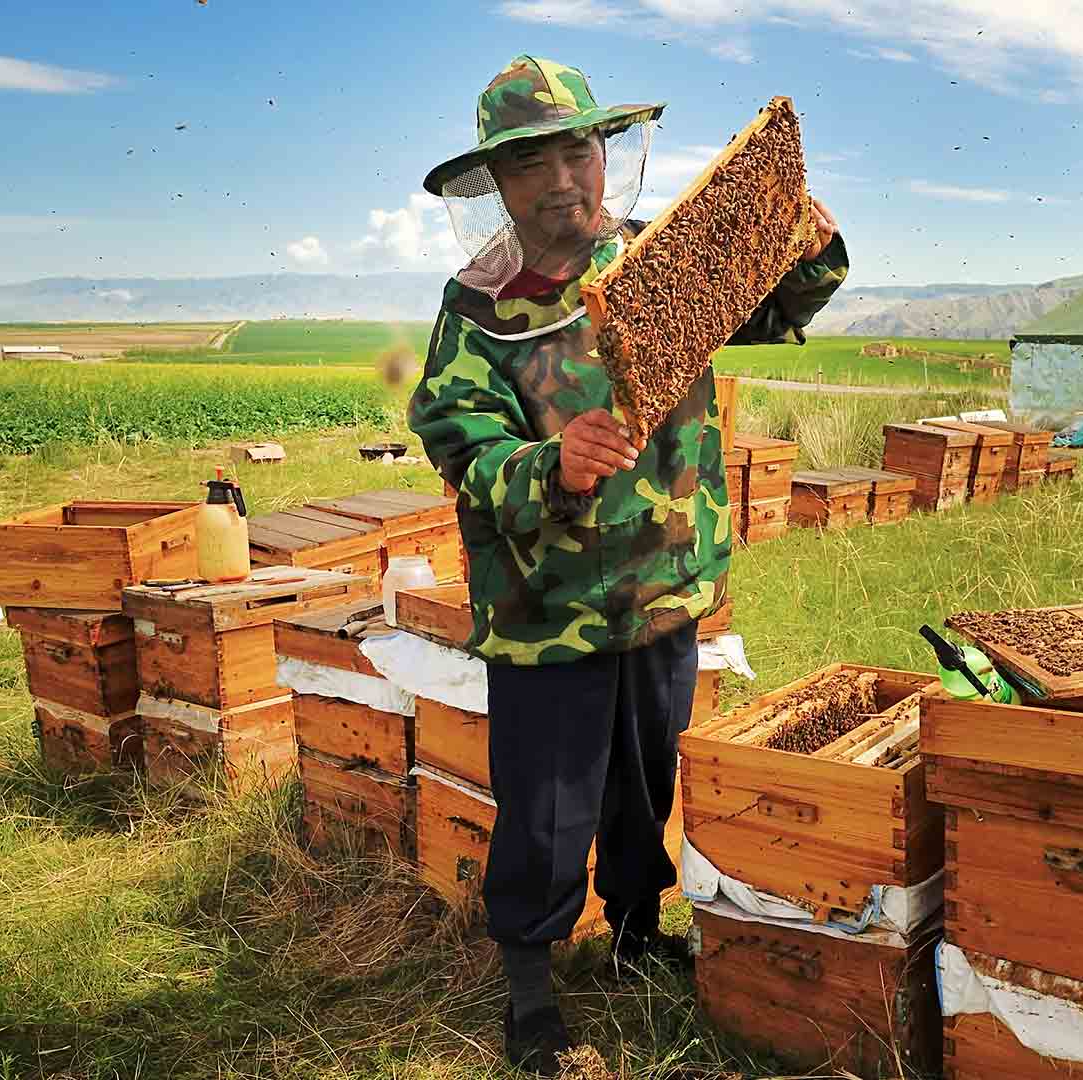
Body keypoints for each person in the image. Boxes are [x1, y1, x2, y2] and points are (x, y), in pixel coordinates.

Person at [408, 55, 848, 1072]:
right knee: (549, 802)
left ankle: (641, 937)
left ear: (605, 156)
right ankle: (529, 992)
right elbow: (460, 441)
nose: (562, 179)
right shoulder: (476, 312)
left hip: (661, 588)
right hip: (548, 609)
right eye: (532, 165)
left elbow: (775, 307)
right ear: (500, 187)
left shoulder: (660, 262)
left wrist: (807, 241)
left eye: (578, 151)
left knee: (647, 781)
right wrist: (542, 463)